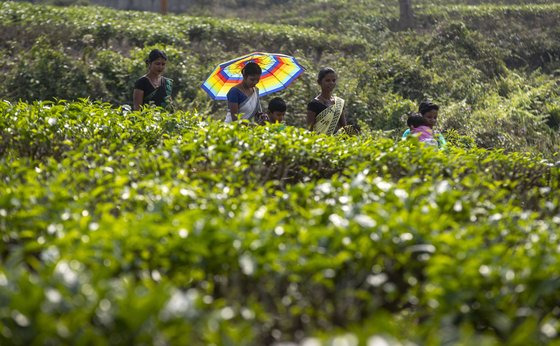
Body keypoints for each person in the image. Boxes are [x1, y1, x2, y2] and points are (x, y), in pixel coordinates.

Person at [307, 67, 347, 135]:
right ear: (319, 82)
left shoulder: (338, 103)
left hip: (335, 142)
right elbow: (310, 130)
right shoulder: (313, 104)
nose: (331, 83)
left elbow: (344, 128)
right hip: (319, 142)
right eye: (327, 80)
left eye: (333, 80)